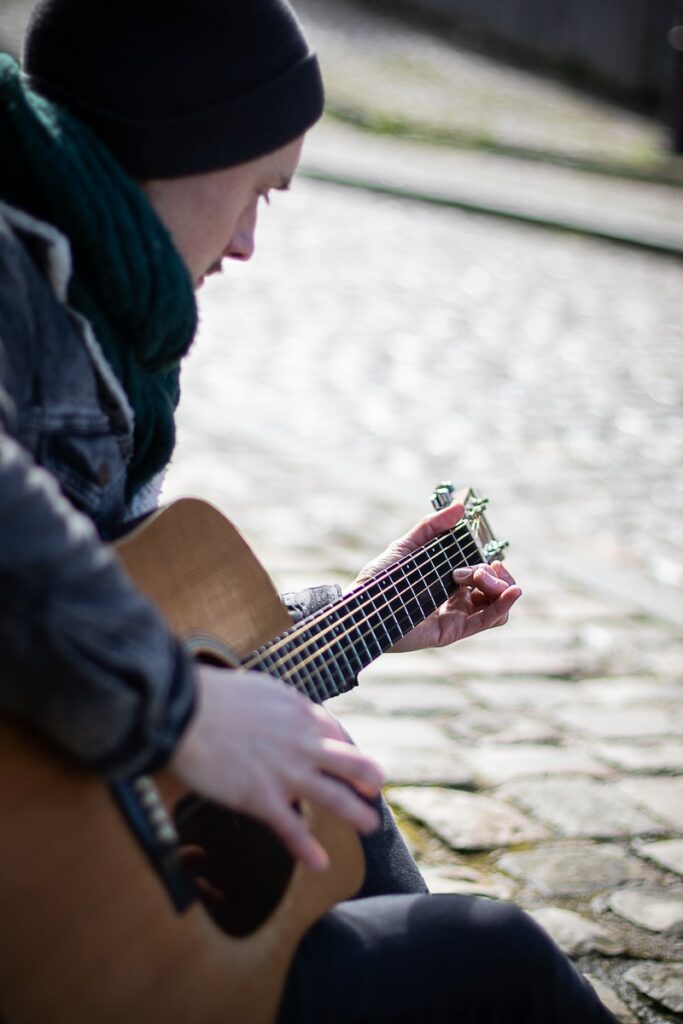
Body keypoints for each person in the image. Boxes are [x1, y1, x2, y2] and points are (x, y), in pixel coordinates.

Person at [0, 1, 617, 1021]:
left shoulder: (101, 314)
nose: (246, 241)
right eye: (257, 190)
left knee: (342, 800)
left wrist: (370, 609)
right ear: (180, 140)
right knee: (492, 952)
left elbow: (116, 616)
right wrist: (179, 709)